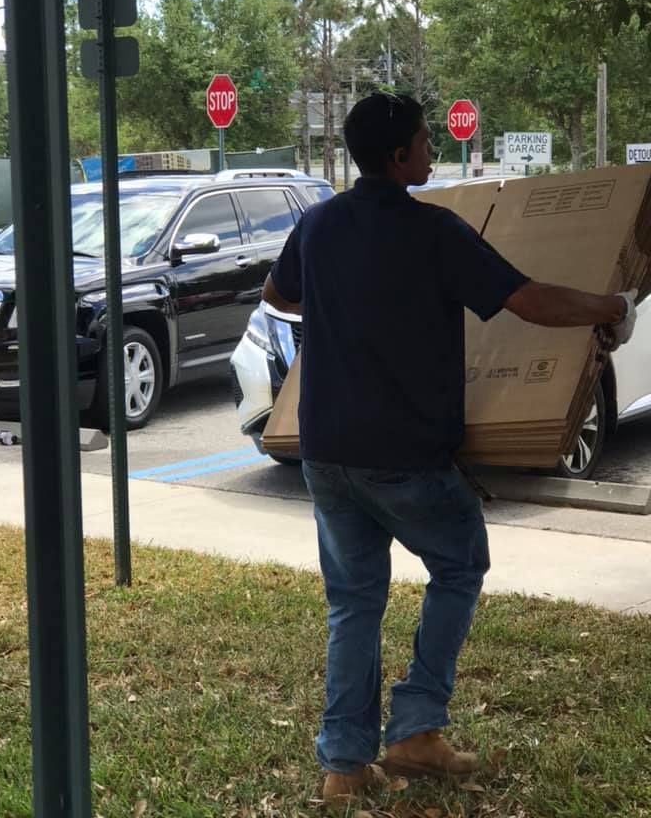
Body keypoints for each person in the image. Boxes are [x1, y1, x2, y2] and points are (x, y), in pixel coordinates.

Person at [261, 92, 637, 807]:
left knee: (354, 602)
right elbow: (527, 300)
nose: (432, 150)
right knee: (461, 562)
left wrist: (348, 306)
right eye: (426, 141)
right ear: (400, 155)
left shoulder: (319, 224)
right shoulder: (433, 231)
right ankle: (416, 728)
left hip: (325, 451)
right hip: (402, 452)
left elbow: (277, 295)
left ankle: (344, 766)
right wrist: (610, 309)